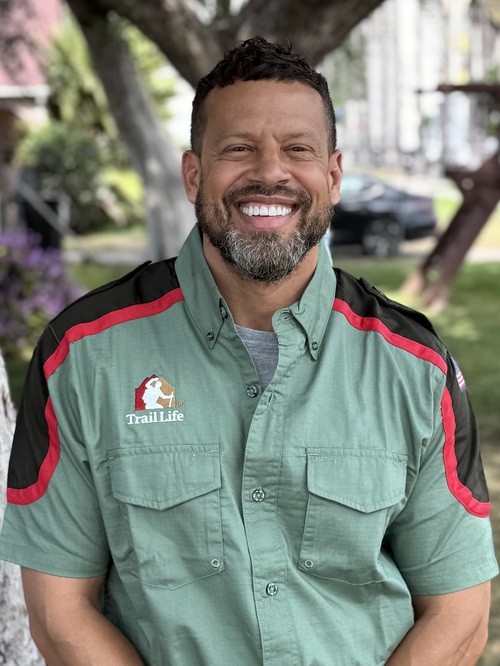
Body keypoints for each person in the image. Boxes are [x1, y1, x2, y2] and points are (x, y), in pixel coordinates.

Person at [0, 36, 497, 666]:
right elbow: (59, 610)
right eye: (238, 148)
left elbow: (458, 612)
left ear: (333, 176)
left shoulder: (416, 369)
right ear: (193, 174)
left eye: (298, 149)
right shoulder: (80, 357)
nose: (270, 171)